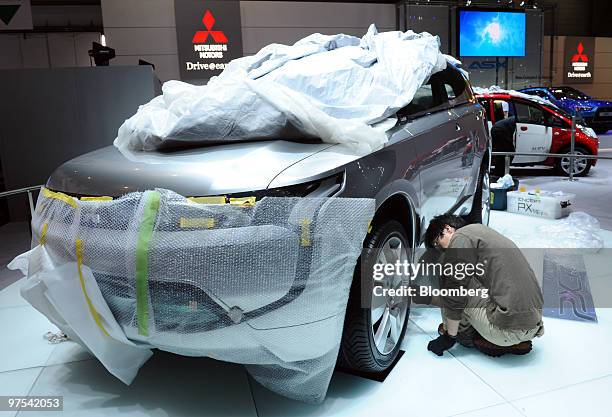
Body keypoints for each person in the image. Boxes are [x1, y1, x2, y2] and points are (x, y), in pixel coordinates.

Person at [423, 214, 544, 357]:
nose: (440, 250)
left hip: (507, 329)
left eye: (437, 243)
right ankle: (511, 339)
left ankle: (469, 338)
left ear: (447, 229)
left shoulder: (460, 238)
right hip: (534, 324)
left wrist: (449, 337)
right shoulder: (484, 235)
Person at [491, 104, 516, 177]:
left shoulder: (513, 119)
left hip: (497, 129)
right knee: (507, 152)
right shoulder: (516, 120)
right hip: (499, 130)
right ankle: (501, 173)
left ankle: (500, 172)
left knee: (502, 152)